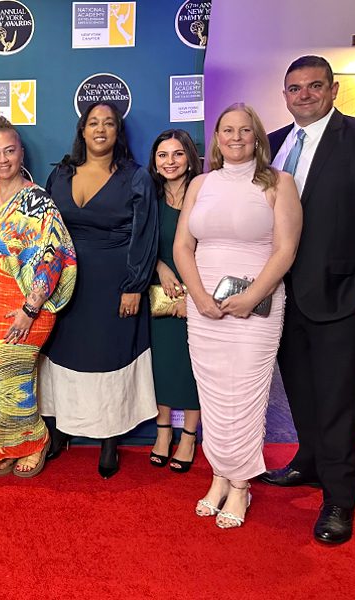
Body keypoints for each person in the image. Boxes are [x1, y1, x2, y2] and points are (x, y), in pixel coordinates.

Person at [259, 55, 355, 545]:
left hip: (340, 296)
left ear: (333, 89)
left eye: (313, 86)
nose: (303, 95)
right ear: (284, 94)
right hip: (283, 299)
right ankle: (308, 461)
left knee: (338, 401)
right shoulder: (275, 146)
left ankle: (340, 499)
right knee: (300, 391)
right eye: (294, 88)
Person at [174, 103, 300, 529]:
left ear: (258, 137)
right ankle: (219, 475)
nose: (236, 137)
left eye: (245, 130)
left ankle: (242, 483)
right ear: (217, 138)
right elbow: (181, 248)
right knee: (212, 396)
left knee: (244, 396)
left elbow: (285, 250)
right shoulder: (200, 184)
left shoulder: (280, 183)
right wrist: (198, 296)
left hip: (257, 308)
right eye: (228, 130)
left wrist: (252, 297)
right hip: (204, 305)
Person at [38, 102, 159, 478]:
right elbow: (44, 230)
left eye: (109, 123)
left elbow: (145, 234)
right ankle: (58, 432)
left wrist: (134, 285)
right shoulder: (60, 174)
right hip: (66, 285)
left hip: (114, 283)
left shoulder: (135, 176)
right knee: (62, 356)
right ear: (83, 131)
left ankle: (109, 441)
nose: (101, 129)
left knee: (109, 359)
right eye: (94, 123)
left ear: (117, 132)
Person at [0, 117, 76, 477]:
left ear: (21, 153)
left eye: (9, 151)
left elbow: (54, 253)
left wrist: (30, 308)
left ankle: (35, 440)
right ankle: (9, 444)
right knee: (0, 375)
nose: (3, 160)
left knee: (8, 367)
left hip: (29, 301)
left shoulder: (38, 200)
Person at [146, 129, 202, 472]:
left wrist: (191, 293)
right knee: (162, 366)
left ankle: (190, 436)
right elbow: (138, 242)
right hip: (158, 293)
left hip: (197, 292)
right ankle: (163, 431)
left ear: (190, 158)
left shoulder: (205, 194)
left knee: (194, 366)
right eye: (163, 155)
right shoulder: (148, 196)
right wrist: (161, 268)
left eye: (178, 154)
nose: (170, 162)